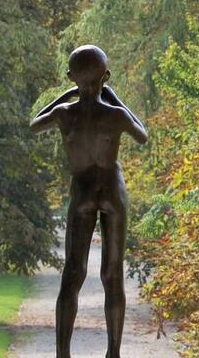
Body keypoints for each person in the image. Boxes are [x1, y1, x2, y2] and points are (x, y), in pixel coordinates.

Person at [29, 45, 147, 358]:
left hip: (82, 192)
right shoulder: (116, 115)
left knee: (73, 274)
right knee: (113, 275)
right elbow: (142, 135)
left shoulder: (64, 114)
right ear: (105, 77)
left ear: (71, 77)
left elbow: (34, 124)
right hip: (111, 191)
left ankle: (62, 353)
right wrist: (115, 98)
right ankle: (113, 353)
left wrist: (65, 96)